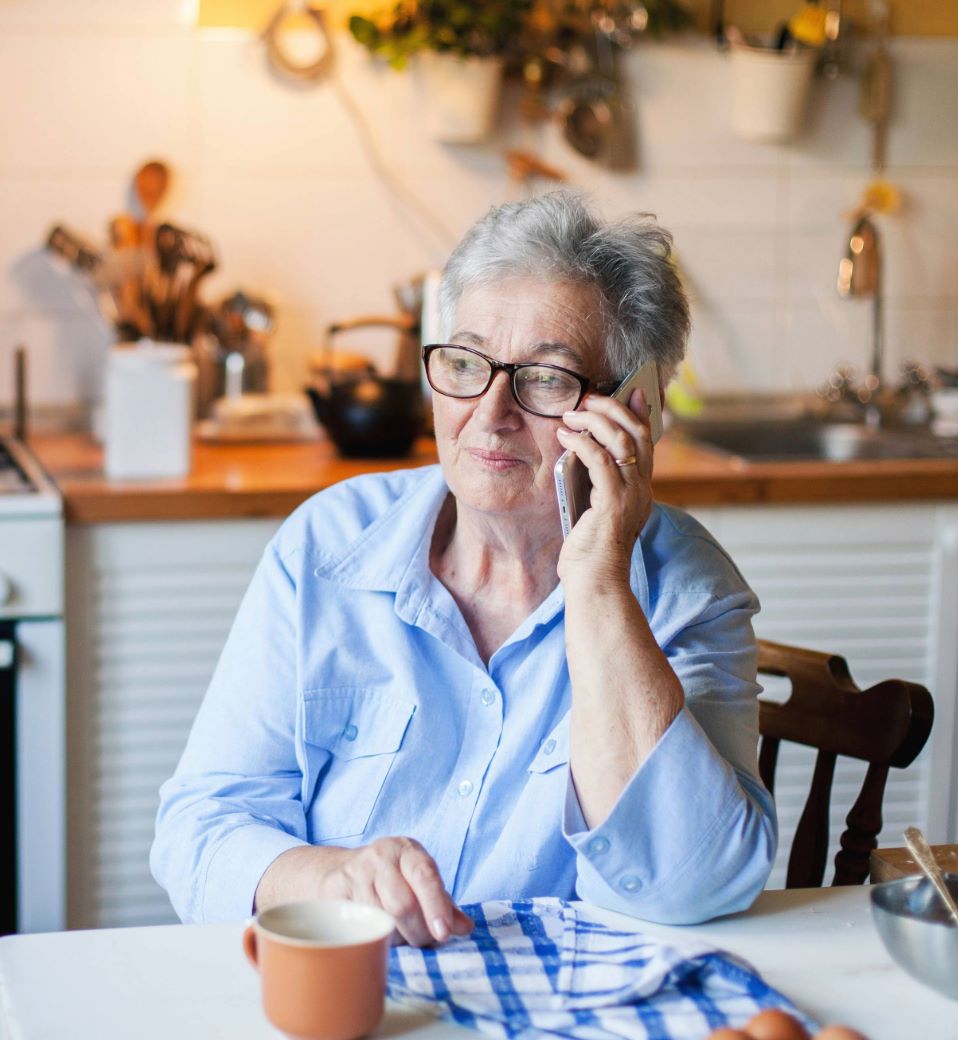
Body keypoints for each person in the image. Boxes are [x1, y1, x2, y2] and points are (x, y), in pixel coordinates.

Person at [151, 191, 777, 945]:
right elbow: (200, 828)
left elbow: (693, 885)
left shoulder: (685, 589)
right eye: (465, 361)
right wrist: (331, 879)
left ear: (633, 409)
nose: (490, 411)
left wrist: (601, 579)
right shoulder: (325, 545)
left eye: (546, 378)